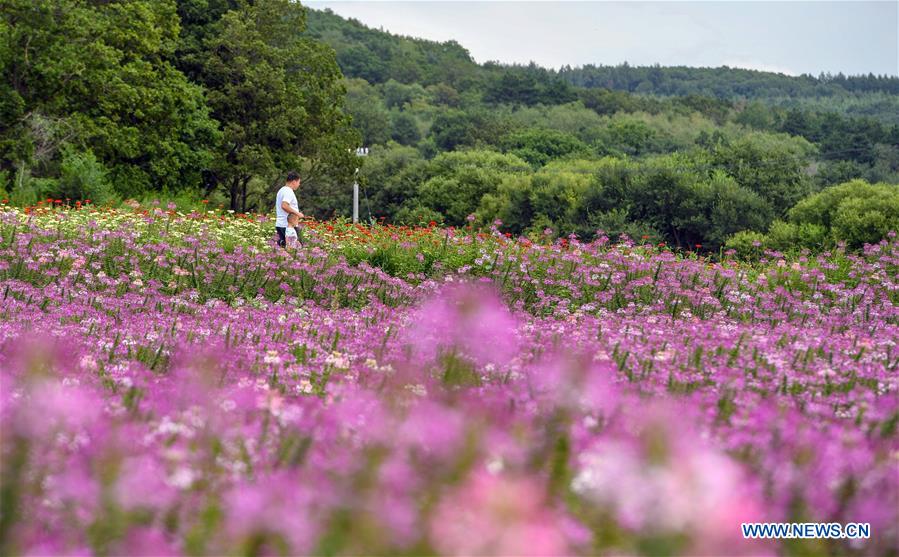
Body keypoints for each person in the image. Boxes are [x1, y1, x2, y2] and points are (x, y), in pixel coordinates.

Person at [275, 171, 304, 247]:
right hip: (288, 226)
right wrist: (298, 214)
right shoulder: (288, 191)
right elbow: (284, 205)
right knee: (296, 250)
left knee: (283, 248)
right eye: (298, 182)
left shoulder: (281, 190)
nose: (299, 184)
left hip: (281, 224)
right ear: (294, 182)